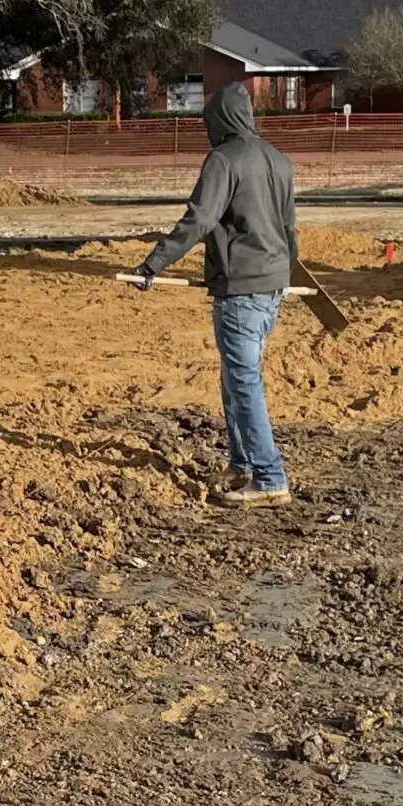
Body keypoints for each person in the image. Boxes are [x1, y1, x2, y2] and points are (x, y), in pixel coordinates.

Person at [123, 82, 299, 508]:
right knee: (234, 380)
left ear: (217, 121)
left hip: (241, 292)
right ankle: (241, 463)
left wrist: (152, 265)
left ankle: (270, 476)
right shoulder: (278, 159)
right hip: (272, 286)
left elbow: (199, 219)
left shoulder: (224, 160)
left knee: (244, 382)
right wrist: (282, 270)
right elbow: (290, 228)